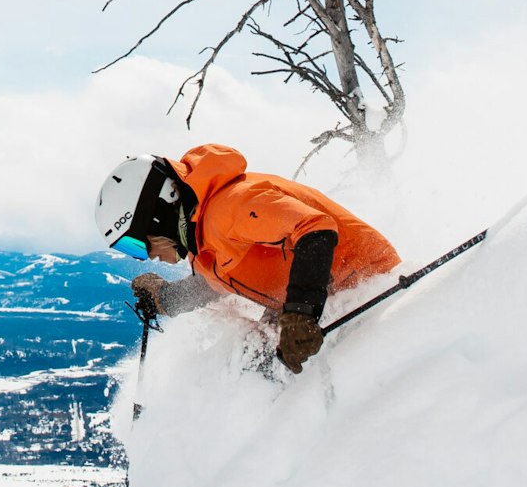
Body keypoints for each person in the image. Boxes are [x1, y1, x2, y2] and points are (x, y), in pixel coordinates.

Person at [94, 144, 401, 373]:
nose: (148, 256)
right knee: (247, 359)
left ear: (159, 214)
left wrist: (300, 313)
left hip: (368, 287)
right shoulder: (203, 242)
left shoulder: (234, 204)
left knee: (260, 366)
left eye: (137, 244)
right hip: (321, 299)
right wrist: (166, 298)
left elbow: (316, 230)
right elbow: (214, 283)